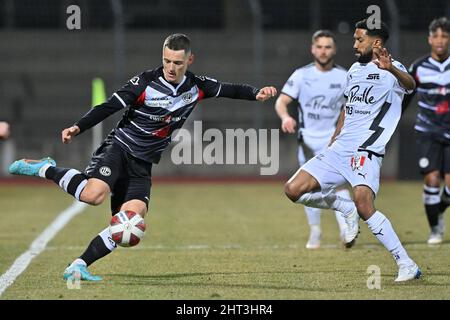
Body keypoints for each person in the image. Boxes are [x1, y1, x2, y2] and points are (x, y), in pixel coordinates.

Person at [8, 33, 277, 281]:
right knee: (93, 195)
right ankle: (45, 169)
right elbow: (110, 105)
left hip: (142, 164)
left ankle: (78, 265)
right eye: (166, 60)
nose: (171, 67)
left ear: (189, 60)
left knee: (130, 224)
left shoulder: (197, 86)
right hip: (119, 149)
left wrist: (257, 93)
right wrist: (78, 127)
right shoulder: (146, 82)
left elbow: (231, 89)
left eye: (177, 62)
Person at [283, 19, 422, 282]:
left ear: (376, 42)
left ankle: (406, 264)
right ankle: (342, 206)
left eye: (360, 39)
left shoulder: (392, 69)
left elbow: (411, 85)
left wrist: (391, 67)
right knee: (293, 190)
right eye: (355, 39)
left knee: (365, 205)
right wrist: (334, 138)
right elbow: (347, 108)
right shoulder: (354, 71)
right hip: (340, 148)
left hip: (366, 149)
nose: (355, 44)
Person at [275, 30, 351, 249]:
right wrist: (286, 117)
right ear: (312, 49)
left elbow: (352, 109)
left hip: (333, 141)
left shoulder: (344, 76)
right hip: (307, 142)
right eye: (319, 47)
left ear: (334, 50)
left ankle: (346, 230)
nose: (323, 51)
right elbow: (281, 102)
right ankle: (315, 232)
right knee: (307, 190)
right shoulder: (301, 75)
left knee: (338, 185)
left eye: (328, 47)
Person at [403, 17, 450, 245]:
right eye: (436, 36)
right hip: (427, 131)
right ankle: (435, 229)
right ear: (429, 39)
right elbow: (405, 98)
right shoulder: (419, 67)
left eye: (444, 36)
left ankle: (439, 209)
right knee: (431, 180)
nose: (440, 41)